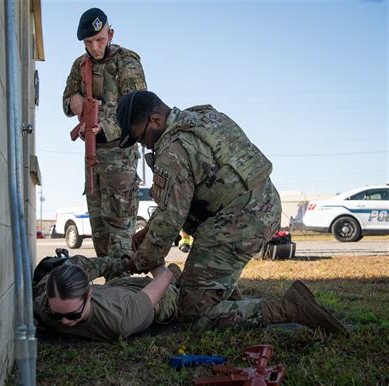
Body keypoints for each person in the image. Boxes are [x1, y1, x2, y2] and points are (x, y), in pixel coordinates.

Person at [115, 90, 346, 334]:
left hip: (238, 222)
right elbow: (183, 197)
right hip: (261, 207)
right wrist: (148, 232)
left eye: (142, 138)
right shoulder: (202, 117)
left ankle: (290, 308)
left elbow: (172, 217)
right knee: (204, 281)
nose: (145, 145)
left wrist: (141, 260)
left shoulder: (173, 149)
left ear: (156, 120)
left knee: (193, 315)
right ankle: (228, 301)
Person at [62, 8, 147, 261]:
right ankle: (110, 294)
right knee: (99, 232)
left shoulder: (127, 62)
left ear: (110, 34)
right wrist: (74, 100)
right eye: (89, 42)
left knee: (120, 235)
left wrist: (105, 125)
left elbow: (138, 112)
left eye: (100, 40)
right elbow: (66, 103)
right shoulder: (81, 65)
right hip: (93, 161)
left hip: (120, 160)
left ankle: (124, 294)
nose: (95, 47)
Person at [33, 254, 179, 341]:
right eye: (56, 314)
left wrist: (143, 258)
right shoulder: (43, 303)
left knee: (177, 288)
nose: (64, 321)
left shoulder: (121, 318)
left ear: (88, 294)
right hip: (117, 288)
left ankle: (177, 274)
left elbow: (164, 276)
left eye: (73, 314)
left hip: (161, 299)